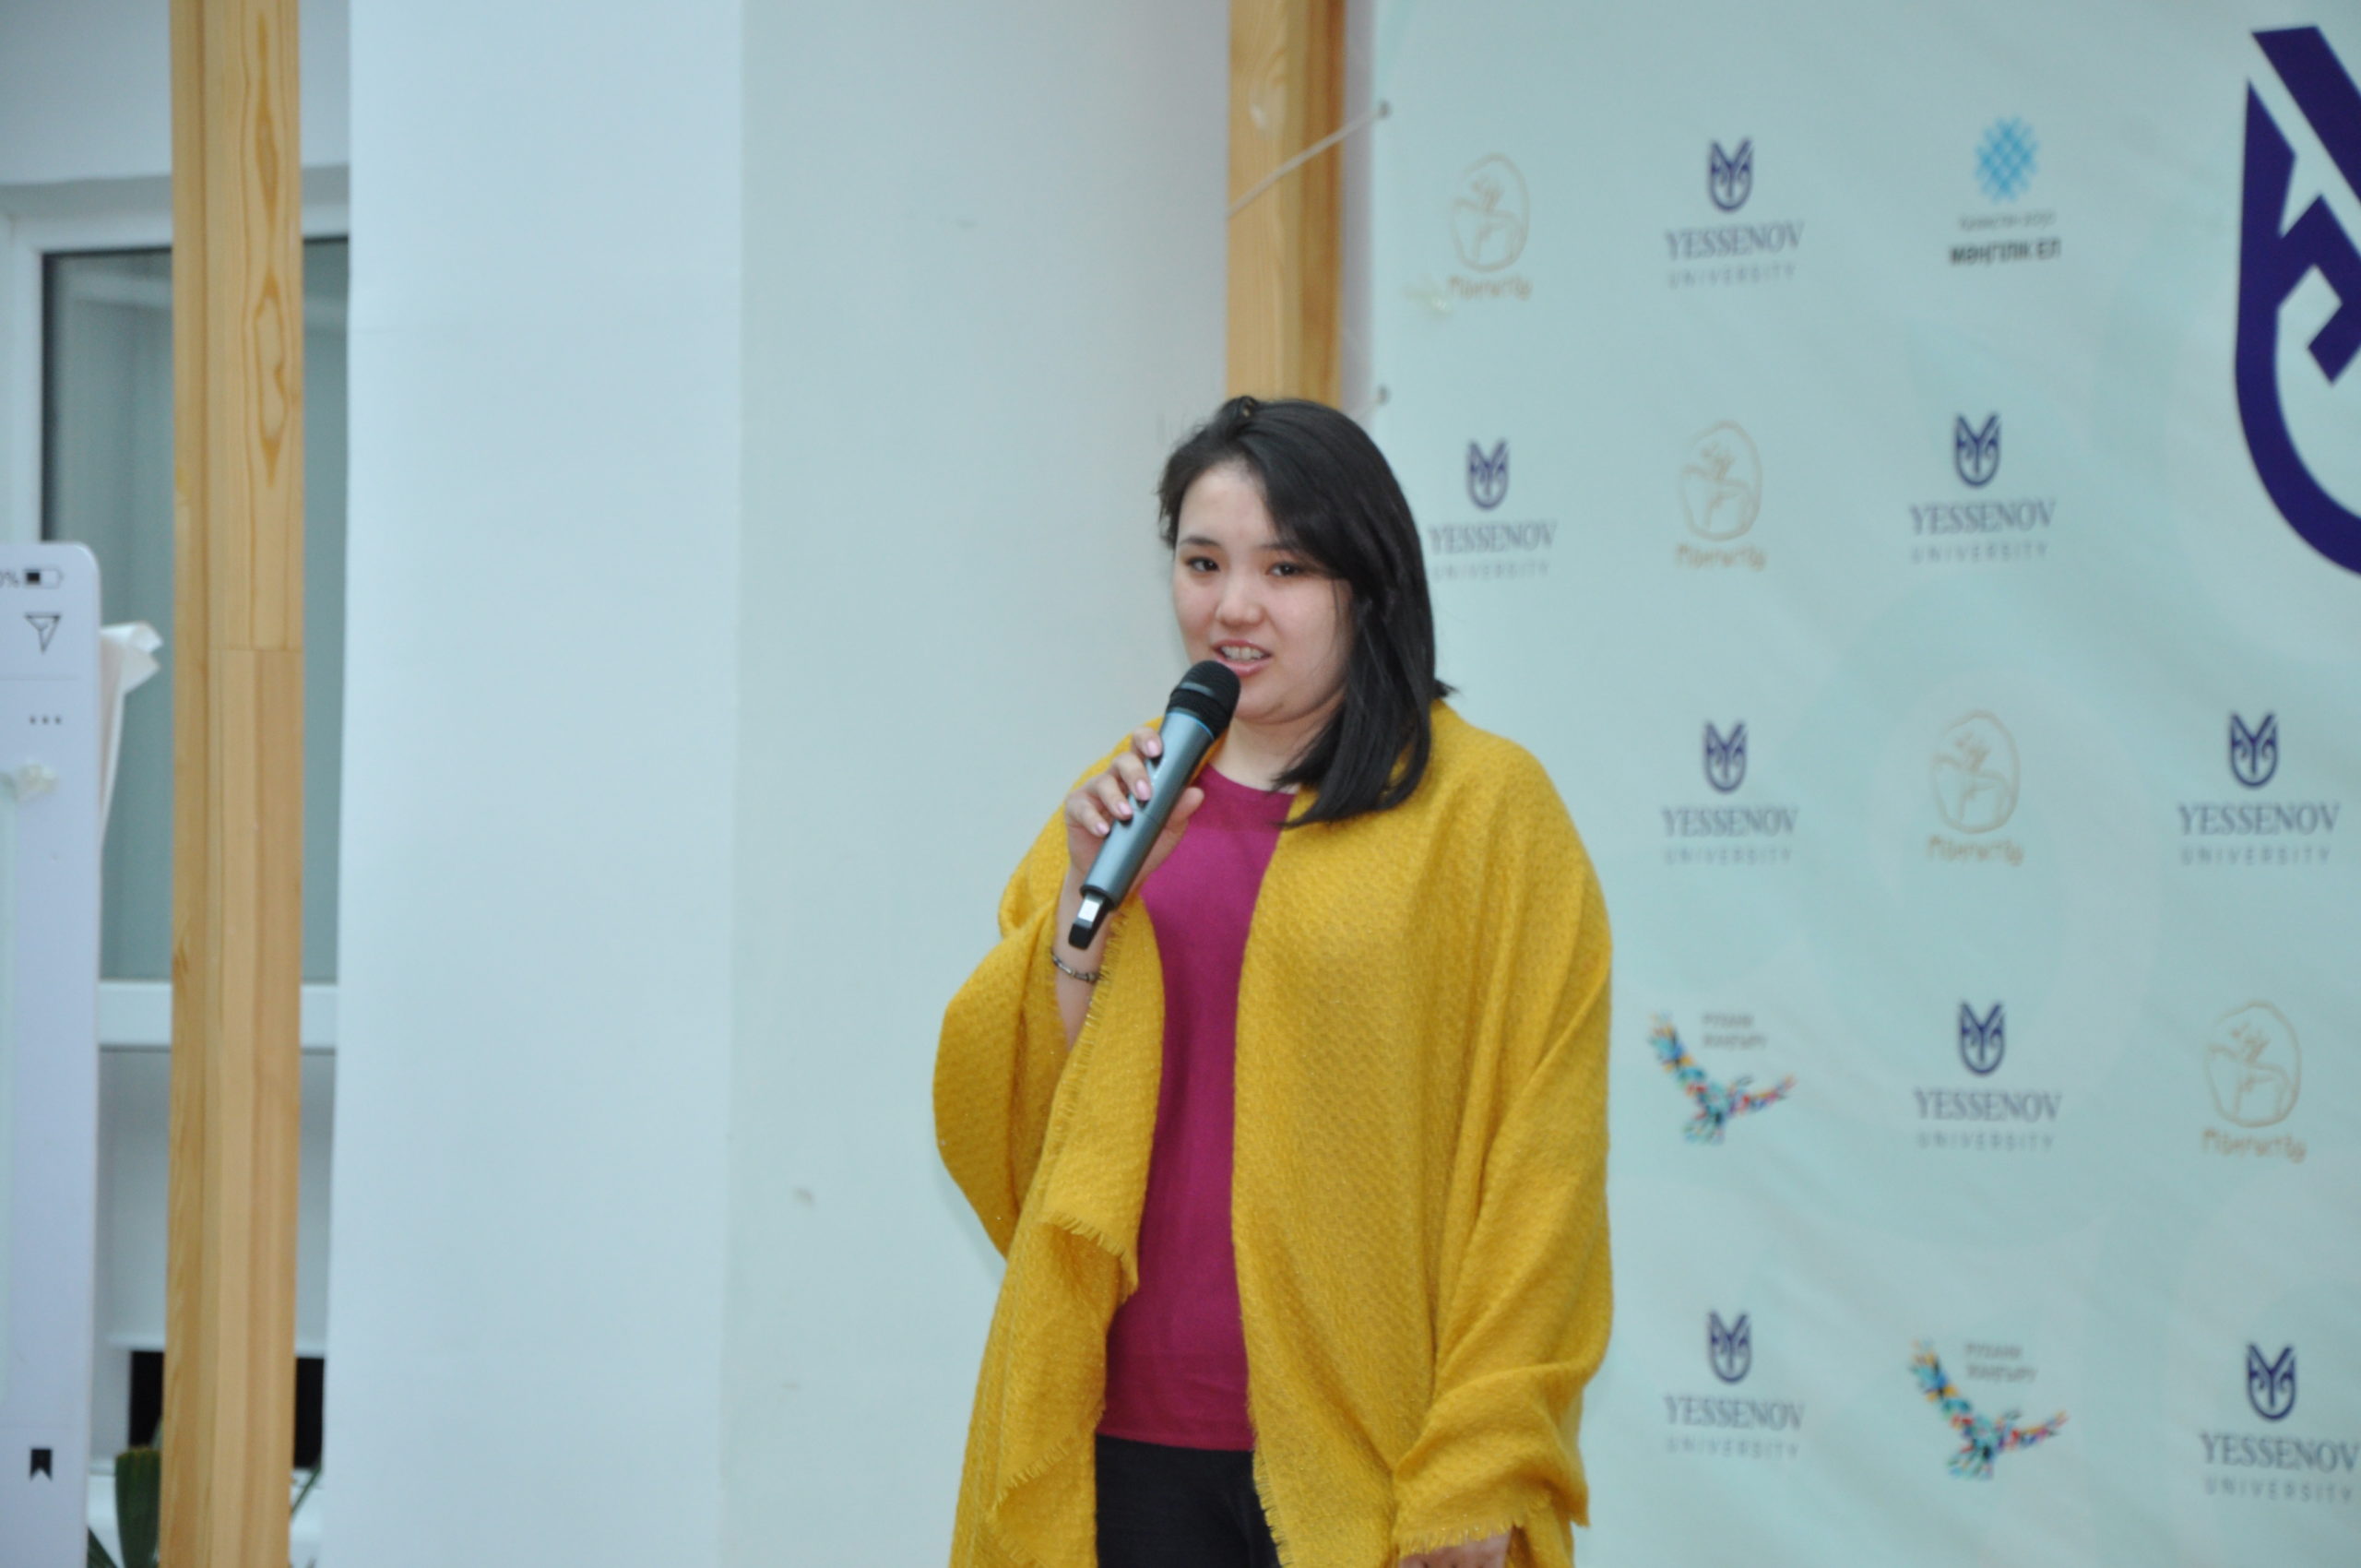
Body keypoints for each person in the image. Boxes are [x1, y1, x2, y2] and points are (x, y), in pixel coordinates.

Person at [935, 397, 1611, 1568]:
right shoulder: (1122, 800)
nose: (1232, 605)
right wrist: (1083, 909)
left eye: (1284, 567)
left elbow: (1540, 1163)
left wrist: (1488, 1455)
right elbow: (1018, 1134)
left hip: (1381, 1450)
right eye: (1203, 562)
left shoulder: (1486, 812)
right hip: (1117, 1441)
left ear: (1369, 582)